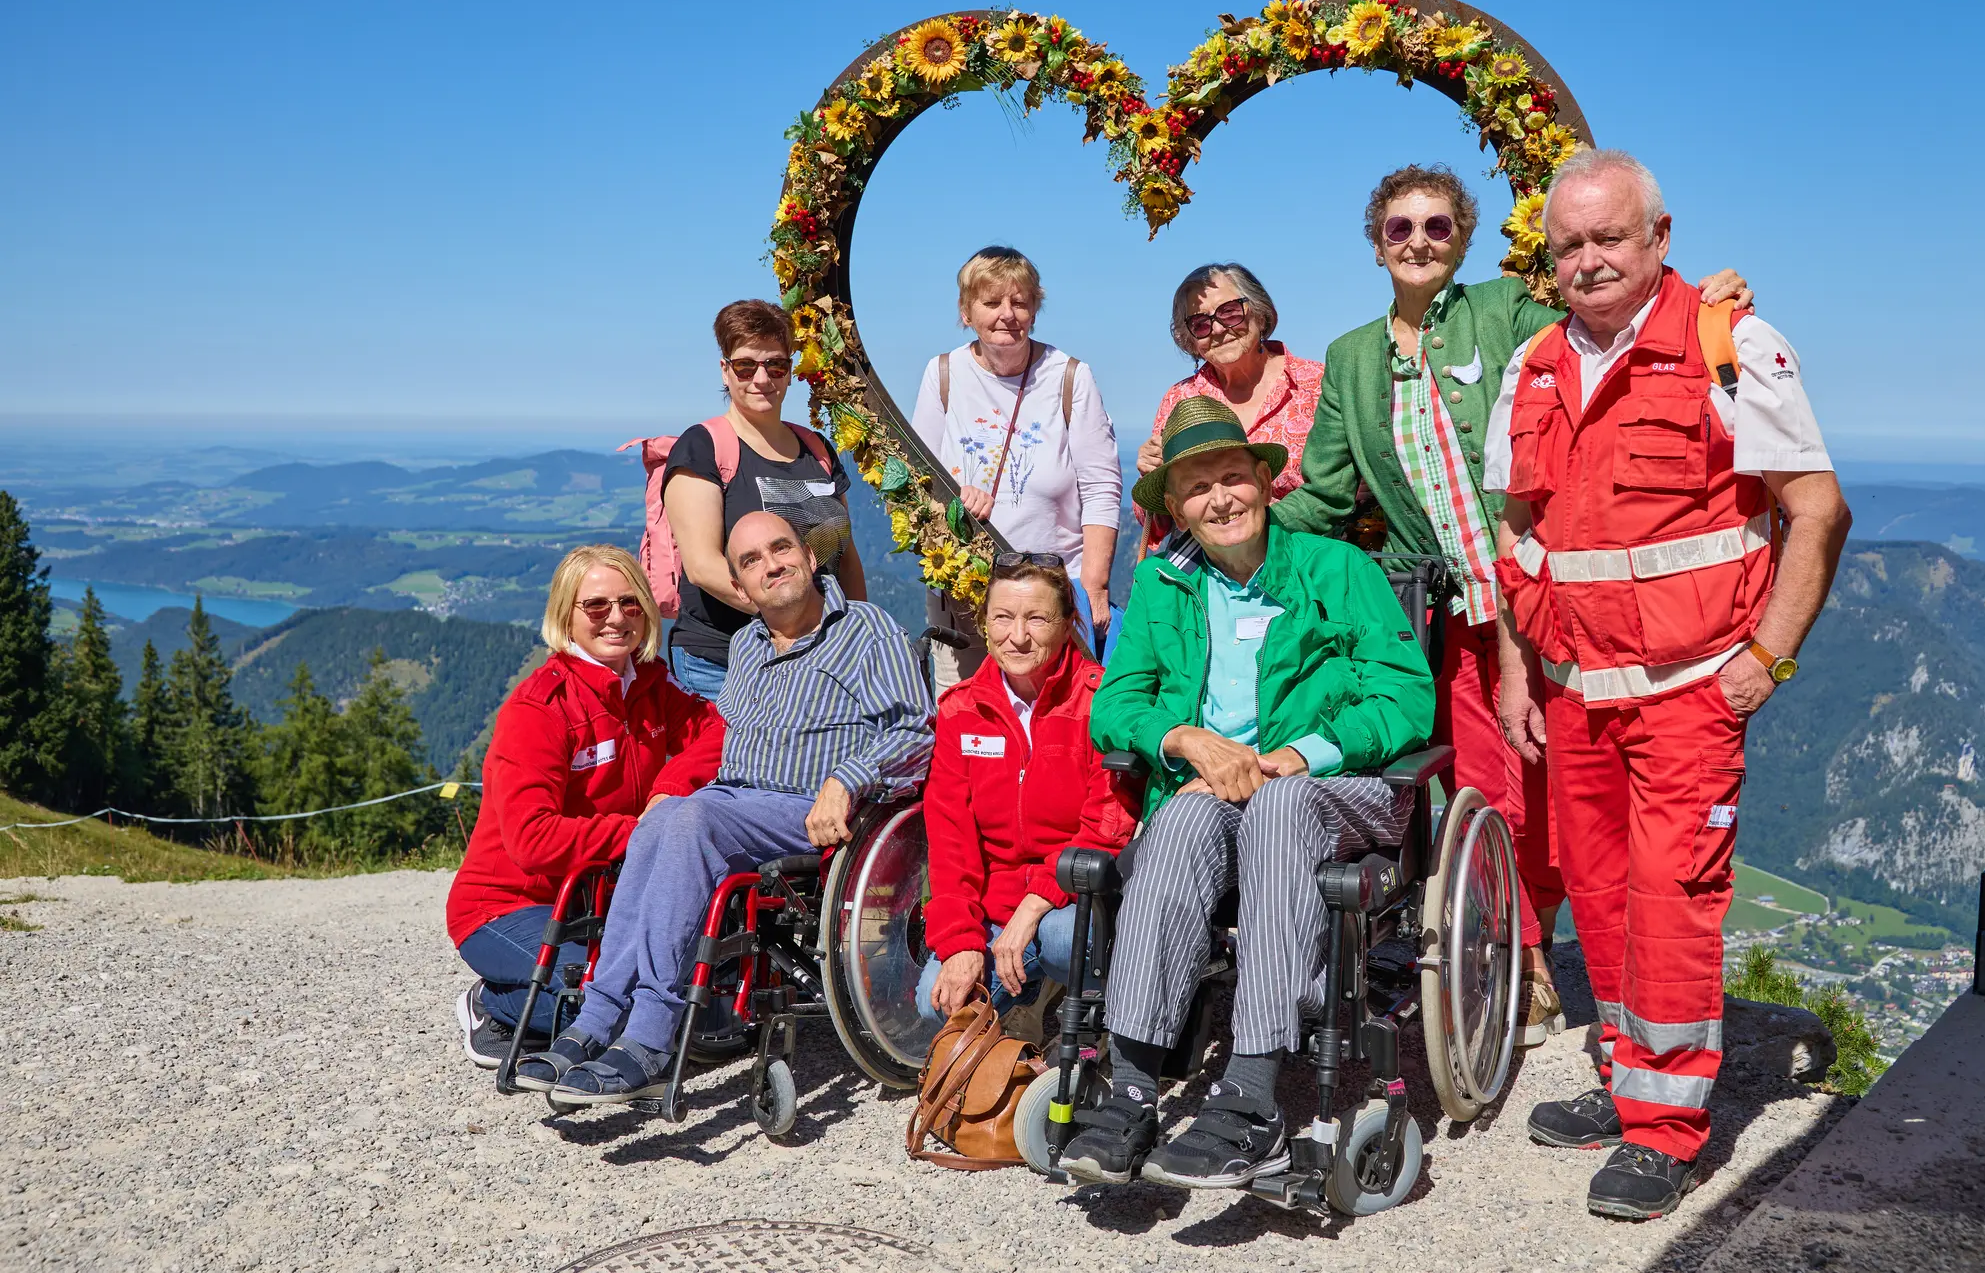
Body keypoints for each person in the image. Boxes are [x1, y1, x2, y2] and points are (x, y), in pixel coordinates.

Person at [1271, 164, 1753, 1048]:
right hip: (1452, 616)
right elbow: (1328, 494)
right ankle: (1519, 964)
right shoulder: (1351, 358)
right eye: (1400, 228)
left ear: (1462, 239)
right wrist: (1226, 519)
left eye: (1438, 226)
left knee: (1553, 795)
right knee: (1488, 791)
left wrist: (1704, 305)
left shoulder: (1502, 312)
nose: (1419, 242)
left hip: (1541, 607)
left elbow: (1602, 330)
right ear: (1376, 245)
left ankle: (1566, 965)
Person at [1488, 149, 1849, 1220]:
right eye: (1569, 245)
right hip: (1572, 686)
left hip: (1689, 689)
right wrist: (1517, 665)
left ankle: (1663, 1130)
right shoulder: (1533, 366)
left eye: (1609, 237)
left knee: (1669, 899)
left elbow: (1818, 511)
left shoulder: (1732, 346)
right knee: (1598, 895)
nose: (1589, 260)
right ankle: (1625, 1075)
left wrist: (1765, 661)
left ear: (1659, 236)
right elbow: (1518, 533)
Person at [1058, 397, 1435, 1191]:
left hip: (1335, 791)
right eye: (1197, 489)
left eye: (1232, 478)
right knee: (1183, 816)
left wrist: (1301, 754)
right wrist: (1184, 738)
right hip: (1215, 792)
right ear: (1175, 509)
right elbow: (1115, 705)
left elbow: (1405, 697)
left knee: (1280, 804)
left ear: (1265, 483)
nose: (1220, 500)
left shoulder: (1339, 569)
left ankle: (1252, 1098)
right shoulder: (1162, 582)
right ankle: (1131, 1088)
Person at [513, 510, 935, 1103]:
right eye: (752, 561)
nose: (772, 565)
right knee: (661, 820)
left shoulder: (867, 630)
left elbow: (917, 730)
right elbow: (719, 737)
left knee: (694, 818)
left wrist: (848, 778)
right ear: (739, 585)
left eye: (781, 548)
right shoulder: (746, 645)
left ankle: (650, 1035)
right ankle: (597, 1018)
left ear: (810, 556)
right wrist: (673, 785)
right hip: (731, 804)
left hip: (811, 812)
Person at [446, 544, 724, 1067]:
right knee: (610, 1010)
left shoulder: (650, 682)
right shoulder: (539, 709)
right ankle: (493, 1003)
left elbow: (717, 733)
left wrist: (668, 790)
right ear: (566, 616)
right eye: (596, 605)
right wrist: (642, 831)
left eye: (629, 603)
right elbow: (532, 841)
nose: (616, 618)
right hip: (506, 906)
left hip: (597, 901)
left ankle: (535, 997)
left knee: (693, 997)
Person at [918, 554, 1138, 1024]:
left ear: (1068, 623)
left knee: (1063, 942)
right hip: (994, 904)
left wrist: (1033, 905)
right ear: (984, 622)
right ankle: (1032, 998)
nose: (1017, 637)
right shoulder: (961, 711)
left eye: (1037, 619)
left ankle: (1097, 1017)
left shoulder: (1099, 703)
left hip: (1075, 895)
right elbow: (950, 840)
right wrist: (961, 942)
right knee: (934, 1005)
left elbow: (1107, 823)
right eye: (1003, 618)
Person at [911, 247, 1123, 685]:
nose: (1007, 314)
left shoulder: (1068, 377)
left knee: (1060, 712)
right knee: (967, 710)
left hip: (1053, 599)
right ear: (966, 311)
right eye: (991, 302)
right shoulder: (944, 374)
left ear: (1034, 310)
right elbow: (917, 483)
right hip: (964, 595)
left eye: (1020, 302)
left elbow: (1102, 487)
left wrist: (1094, 587)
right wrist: (955, 498)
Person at [662, 298, 868, 699]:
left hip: (820, 657)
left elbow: (845, 556)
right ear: (725, 370)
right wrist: (797, 622)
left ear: (789, 372)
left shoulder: (817, 450)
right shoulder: (703, 448)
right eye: (745, 366)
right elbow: (702, 566)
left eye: (775, 365)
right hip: (723, 664)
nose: (761, 378)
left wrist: (856, 630)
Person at [1136, 263, 1325, 551]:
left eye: (1230, 312)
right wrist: (1152, 473)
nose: (1217, 329)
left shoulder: (1316, 384)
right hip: (1209, 564)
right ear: (1190, 339)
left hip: (1308, 555)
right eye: (1200, 323)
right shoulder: (1180, 399)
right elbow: (1157, 521)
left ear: (1260, 313)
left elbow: (1344, 489)